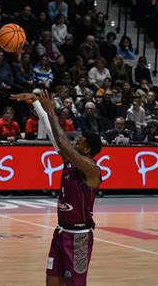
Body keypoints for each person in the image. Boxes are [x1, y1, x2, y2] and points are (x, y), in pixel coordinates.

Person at [11, 91, 102, 286]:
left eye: (81, 140)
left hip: (79, 239)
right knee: (51, 282)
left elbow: (63, 143)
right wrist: (37, 104)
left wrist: (52, 112)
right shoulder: (70, 162)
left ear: (87, 149)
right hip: (60, 233)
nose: (76, 140)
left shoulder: (92, 170)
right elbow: (55, 137)